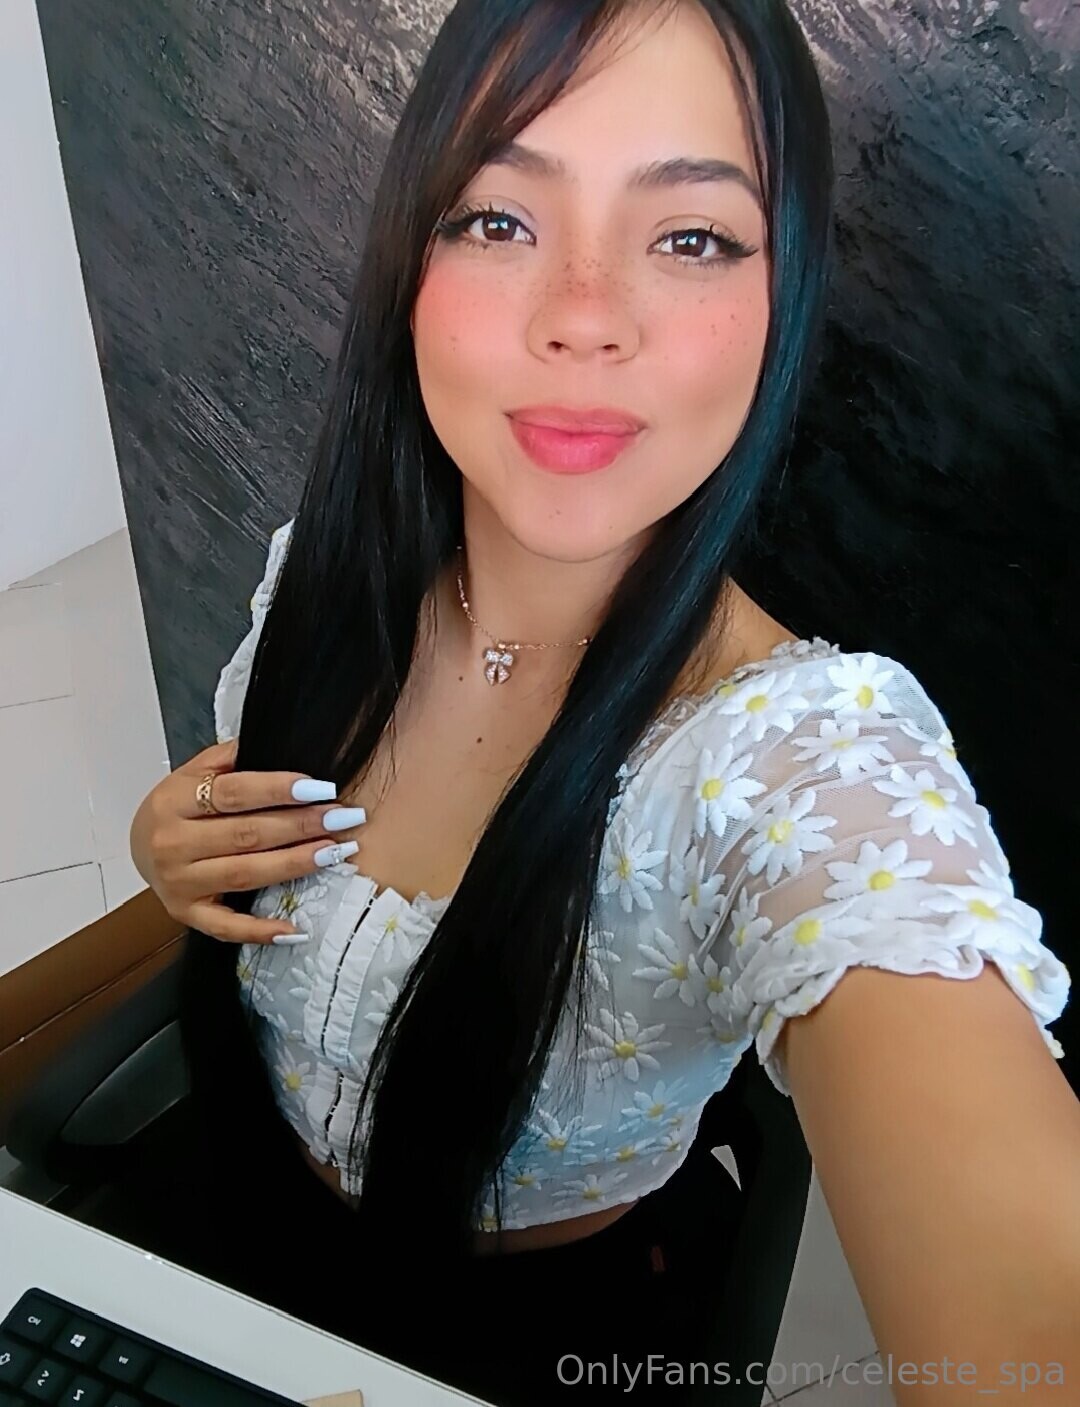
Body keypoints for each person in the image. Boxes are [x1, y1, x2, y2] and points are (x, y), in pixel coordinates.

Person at [128, 0, 1079, 1402]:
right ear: (410, 260)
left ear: (784, 292)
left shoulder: (794, 761)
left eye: (690, 238)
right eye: (498, 220)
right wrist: (168, 848)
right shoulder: (316, 575)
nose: (582, 317)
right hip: (223, 1213)